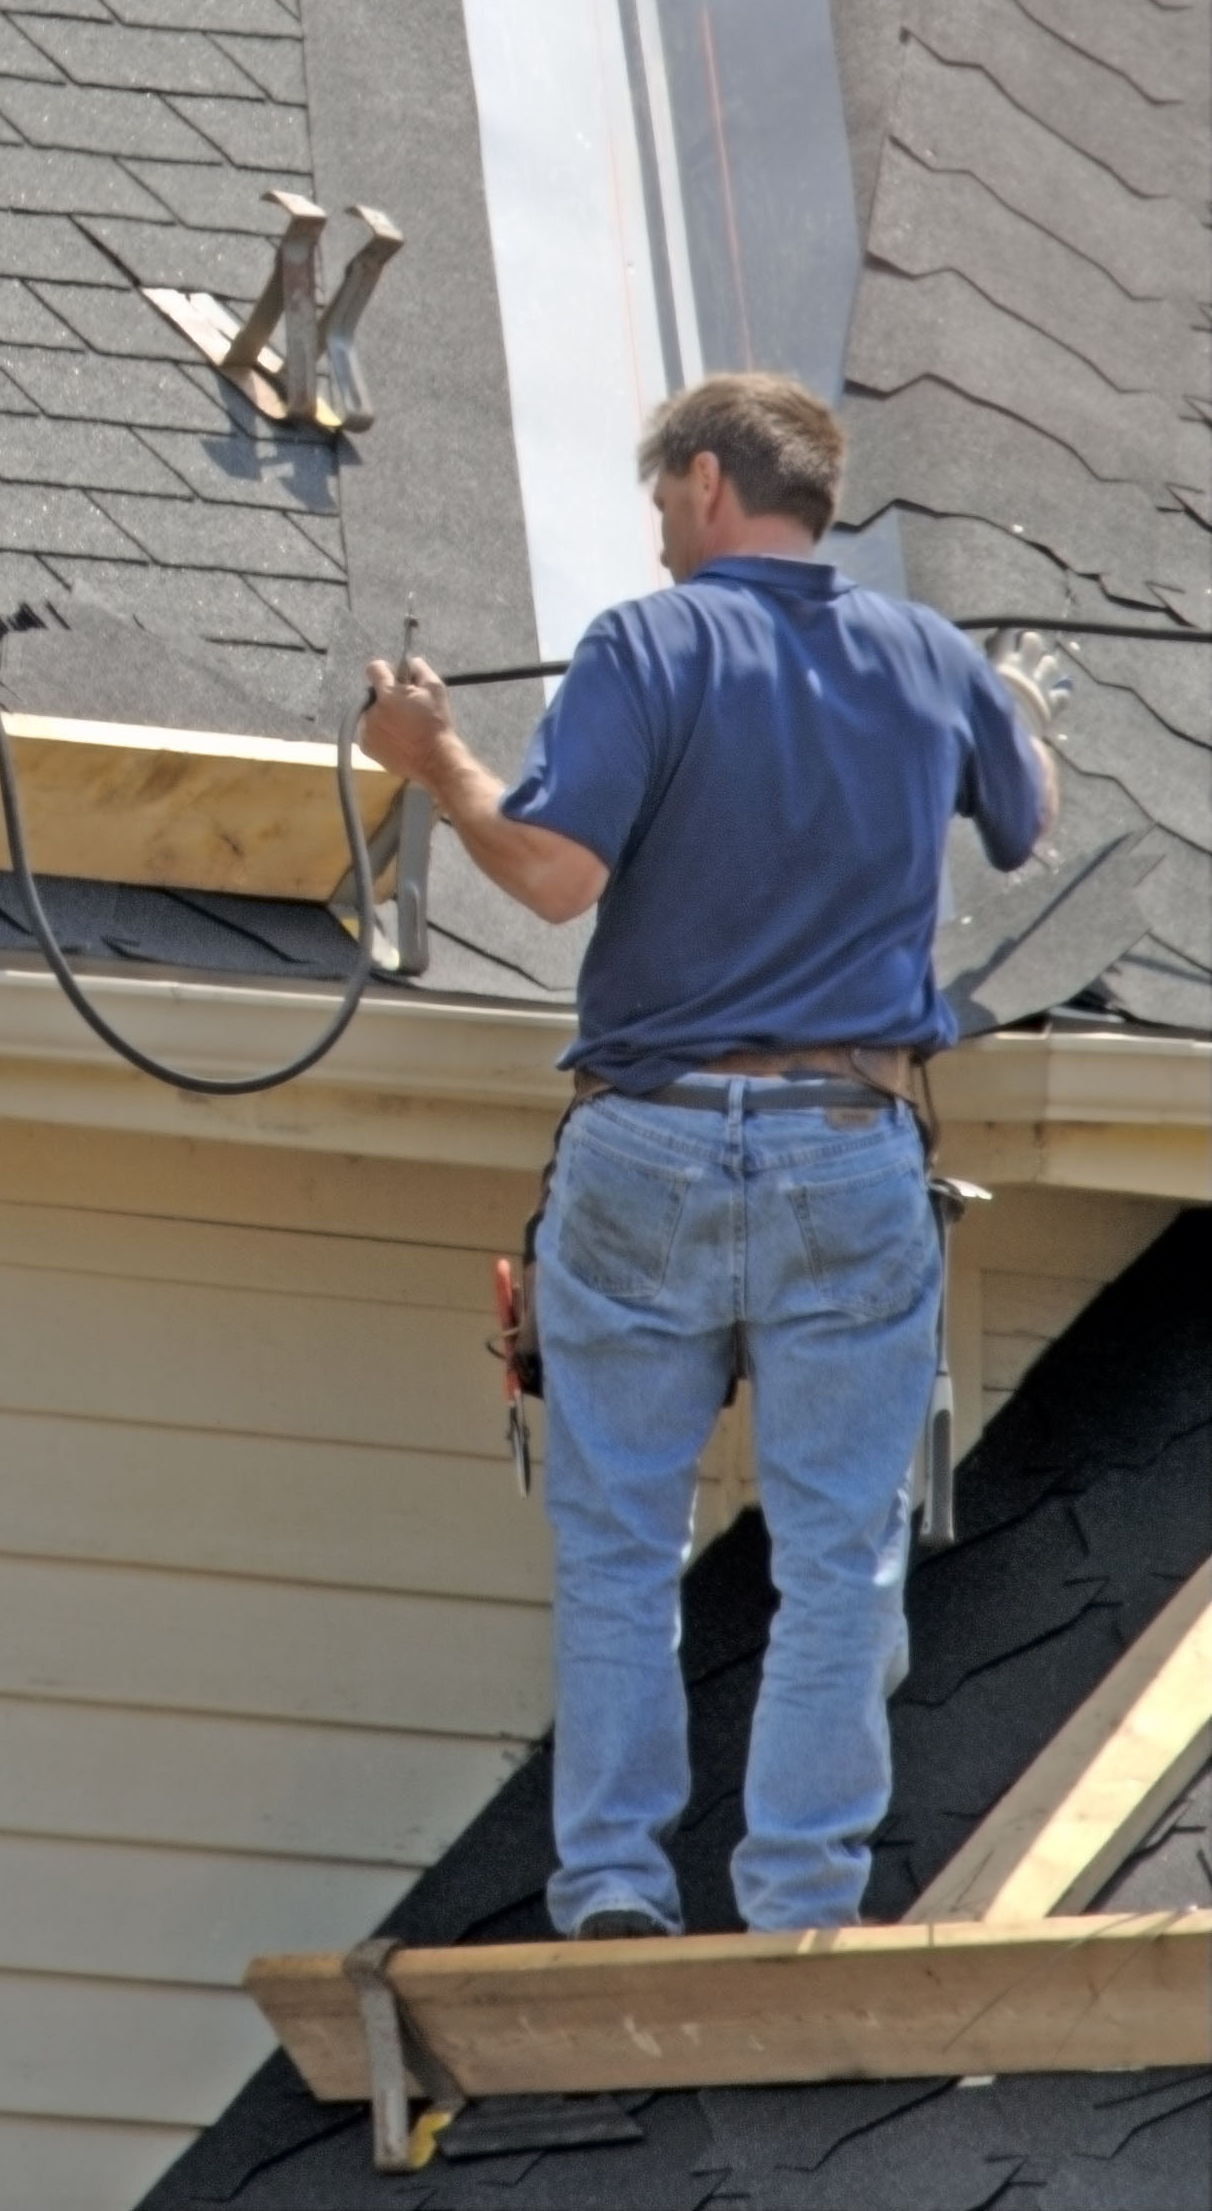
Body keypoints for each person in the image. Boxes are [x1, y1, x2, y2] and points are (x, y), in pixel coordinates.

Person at [362, 373, 1056, 1940]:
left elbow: (549, 875)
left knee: (619, 1542)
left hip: (654, 1147)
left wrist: (434, 753)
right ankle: (801, 1902)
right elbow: (1030, 812)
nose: (661, 527)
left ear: (700, 481)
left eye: (663, 498)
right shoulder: (927, 656)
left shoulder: (648, 641)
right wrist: (1010, 711)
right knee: (840, 1559)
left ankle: (615, 1887)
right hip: (847, 1143)